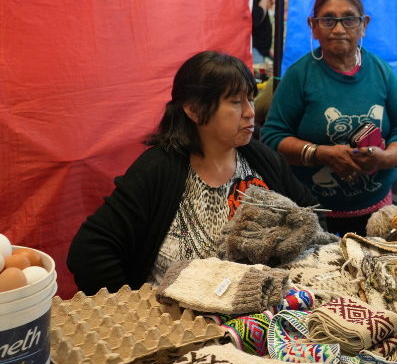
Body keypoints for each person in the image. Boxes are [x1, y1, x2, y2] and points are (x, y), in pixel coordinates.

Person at [68, 52, 318, 295]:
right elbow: (89, 252)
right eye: (235, 102)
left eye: (250, 99)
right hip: (177, 319)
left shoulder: (264, 161)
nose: (250, 112)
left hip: (259, 313)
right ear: (194, 110)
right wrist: (132, 306)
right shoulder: (159, 169)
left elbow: (311, 217)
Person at [262, 0, 397, 236]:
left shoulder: (382, 73)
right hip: (312, 215)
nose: (339, 29)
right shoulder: (299, 76)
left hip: (376, 214)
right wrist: (322, 154)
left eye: (349, 19)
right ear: (313, 26)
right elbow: (272, 138)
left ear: (363, 25)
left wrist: (385, 158)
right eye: (328, 20)